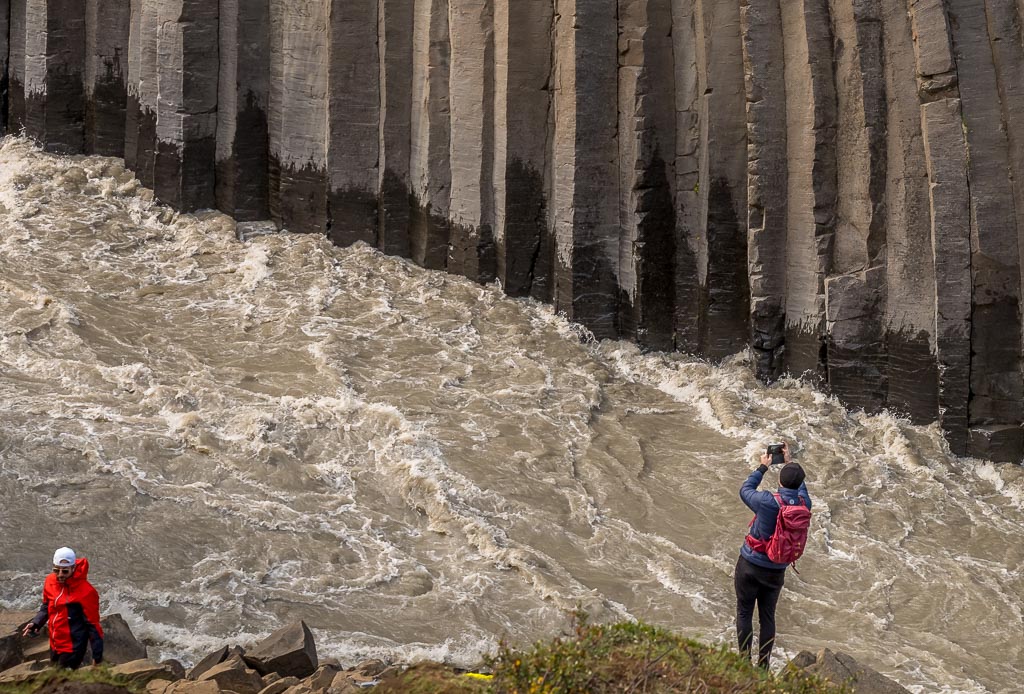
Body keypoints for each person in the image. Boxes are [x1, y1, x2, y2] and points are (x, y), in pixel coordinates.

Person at [734, 442, 810, 668]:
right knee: (767, 618)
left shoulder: (767, 501)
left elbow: (745, 490)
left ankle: (743, 664)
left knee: (745, 612)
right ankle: (763, 667)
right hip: (776, 571)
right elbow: (801, 488)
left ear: (780, 481)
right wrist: (790, 462)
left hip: (750, 565)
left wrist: (762, 467)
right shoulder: (805, 503)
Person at [21, 547, 104, 669]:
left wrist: (97, 657)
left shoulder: (87, 592)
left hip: (73, 647)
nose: (60, 575)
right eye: (56, 570)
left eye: (65, 571)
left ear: (73, 568)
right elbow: (46, 607)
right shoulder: (50, 581)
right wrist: (36, 623)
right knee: (56, 676)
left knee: (60, 680)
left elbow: (93, 626)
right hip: (55, 643)